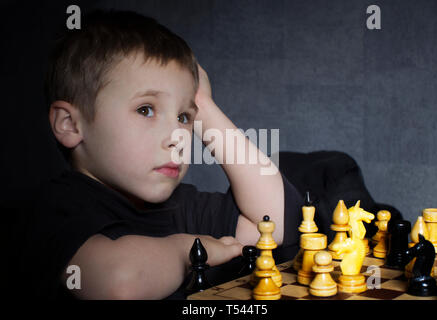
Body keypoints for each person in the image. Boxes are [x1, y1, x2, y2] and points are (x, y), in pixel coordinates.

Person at [15, 9, 303, 300]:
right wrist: (188, 250)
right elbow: (119, 284)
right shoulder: (53, 209)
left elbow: (277, 225)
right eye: (146, 109)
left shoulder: (181, 205)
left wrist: (204, 106)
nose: (177, 137)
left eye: (183, 117)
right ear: (70, 124)